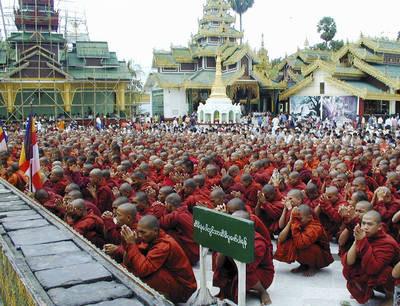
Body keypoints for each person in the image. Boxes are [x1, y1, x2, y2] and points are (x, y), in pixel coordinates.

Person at [121, 215, 197, 303]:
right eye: (138, 232)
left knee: (144, 274)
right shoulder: (152, 238)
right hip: (172, 279)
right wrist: (127, 243)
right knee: (132, 269)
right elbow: (128, 262)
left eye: (143, 232)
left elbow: (143, 269)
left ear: (155, 231)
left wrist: (131, 244)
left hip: (183, 290)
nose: (140, 235)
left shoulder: (164, 245)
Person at [213, 210, 273, 305]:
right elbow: (218, 264)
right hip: (240, 267)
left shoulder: (257, 242)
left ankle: (262, 291)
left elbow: (247, 267)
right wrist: (224, 245)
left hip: (261, 273)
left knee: (245, 273)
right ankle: (225, 291)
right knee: (222, 266)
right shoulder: (230, 235)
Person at [342, 210, 400, 305]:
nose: (365, 227)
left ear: (379, 227)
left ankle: (390, 296)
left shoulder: (387, 242)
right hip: (371, 269)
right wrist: (356, 241)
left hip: (391, 277)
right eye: (363, 223)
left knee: (385, 272)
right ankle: (368, 292)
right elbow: (349, 262)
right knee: (351, 269)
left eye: (370, 224)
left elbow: (373, 269)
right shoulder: (364, 236)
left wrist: (362, 241)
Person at [274, 204, 334, 277]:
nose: (297, 221)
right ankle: (303, 265)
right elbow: (280, 239)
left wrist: (295, 222)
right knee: (287, 243)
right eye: (296, 218)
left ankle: (312, 267)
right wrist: (291, 221)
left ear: (309, 218)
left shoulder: (315, 227)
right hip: (304, 246)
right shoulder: (296, 222)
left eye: (299, 219)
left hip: (321, 256)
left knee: (308, 248)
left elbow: (301, 243)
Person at [158, 193, 199, 265]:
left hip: (190, 256)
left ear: (170, 206)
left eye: (165, 204)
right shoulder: (184, 209)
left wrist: (159, 208)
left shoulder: (176, 216)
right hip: (197, 253)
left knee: (163, 232)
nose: (164, 206)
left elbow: (160, 223)